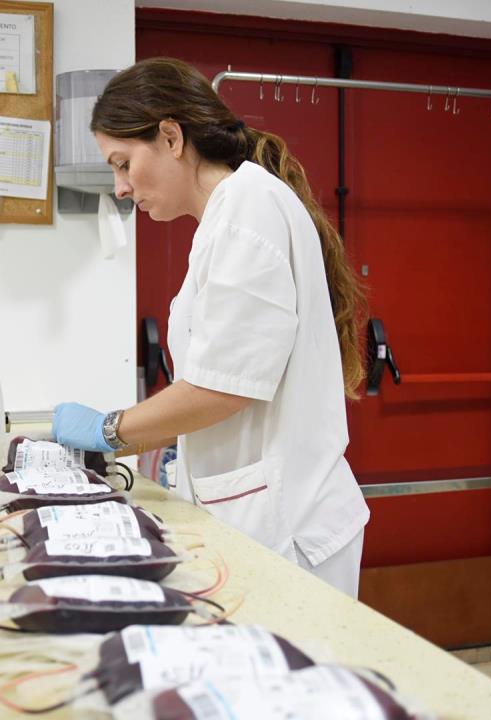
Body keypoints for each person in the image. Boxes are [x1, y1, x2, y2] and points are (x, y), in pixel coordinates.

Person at [52, 58, 370, 597]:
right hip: (254, 512)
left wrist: (110, 430)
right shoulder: (227, 217)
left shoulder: (249, 210)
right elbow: (226, 376)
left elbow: (222, 389)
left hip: (285, 528)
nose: (121, 187)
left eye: (124, 163)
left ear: (171, 137)